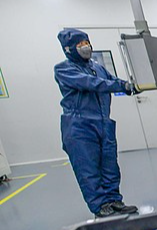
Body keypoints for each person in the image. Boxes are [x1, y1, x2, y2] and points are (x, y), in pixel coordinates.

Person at [54, 28, 139, 218]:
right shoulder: (63, 69)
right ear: (69, 49)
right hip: (79, 127)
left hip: (103, 123)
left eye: (87, 42)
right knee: (88, 169)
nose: (86, 47)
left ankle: (114, 200)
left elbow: (112, 80)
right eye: (80, 44)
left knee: (110, 165)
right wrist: (121, 86)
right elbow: (92, 83)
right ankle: (100, 206)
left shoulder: (97, 67)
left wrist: (132, 86)